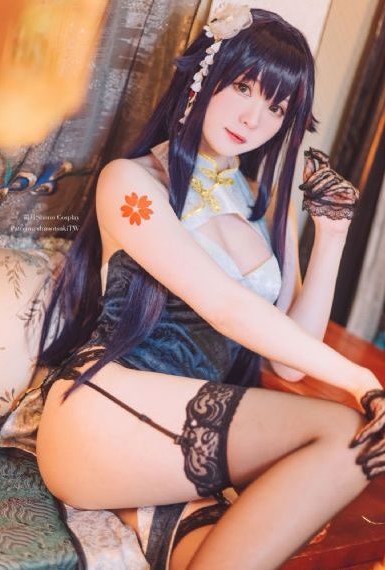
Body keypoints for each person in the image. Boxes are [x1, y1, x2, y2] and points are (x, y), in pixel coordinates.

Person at [31, 6, 385, 570]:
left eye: (276, 107)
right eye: (242, 87)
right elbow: (224, 306)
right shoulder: (131, 182)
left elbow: (289, 362)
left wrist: (332, 235)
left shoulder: (261, 205)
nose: (253, 118)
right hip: (103, 408)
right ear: (203, 76)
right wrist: (358, 379)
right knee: (346, 431)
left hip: (179, 433)